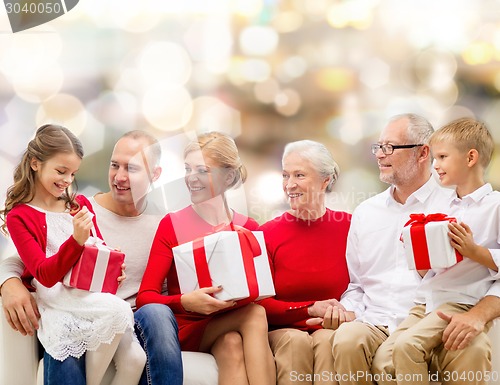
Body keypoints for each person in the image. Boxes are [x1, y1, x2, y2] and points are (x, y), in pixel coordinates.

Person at [324, 113, 500, 385]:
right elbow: (357, 285)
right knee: (351, 341)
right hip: (384, 318)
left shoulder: (454, 202)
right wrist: (347, 310)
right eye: (378, 147)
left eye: (390, 147)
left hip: (445, 311)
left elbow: (478, 267)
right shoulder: (366, 212)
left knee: (470, 348)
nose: (380, 155)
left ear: (422, 153)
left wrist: (478, 315)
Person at [0, 129, 183, 385]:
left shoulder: (164, 223)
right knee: (73, 338)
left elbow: (100, 249)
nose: (119, 177)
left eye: (131, 168)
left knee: (142, 342)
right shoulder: (77, 206)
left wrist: (113, 265)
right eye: (114, 165)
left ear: (155, 175)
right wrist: (7, 282)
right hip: (67, 301)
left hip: (115, 308)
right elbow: (26, 262)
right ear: (35, 164)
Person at [136, 131, 276, 385]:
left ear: (229, 176)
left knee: (232, 344)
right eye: (188, 169)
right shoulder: (173, 224)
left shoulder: (249, 227)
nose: (191, 178)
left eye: (202, 170)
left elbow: (264, 295)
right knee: (254, 315)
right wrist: (185, 302)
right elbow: (145, 296)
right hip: (187, 326)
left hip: (228, 325)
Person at [257, 140, 351, 385]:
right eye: (286, 175)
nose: (290, 185)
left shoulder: (350, 227)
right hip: (284, 332)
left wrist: (344, 315)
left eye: (299, 175)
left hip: (332, 328)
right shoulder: (267, 233)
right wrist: (310, 308)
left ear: (325, 181)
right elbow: (259, 305)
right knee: (295, 342)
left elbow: (367, 286)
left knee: (327, 340)